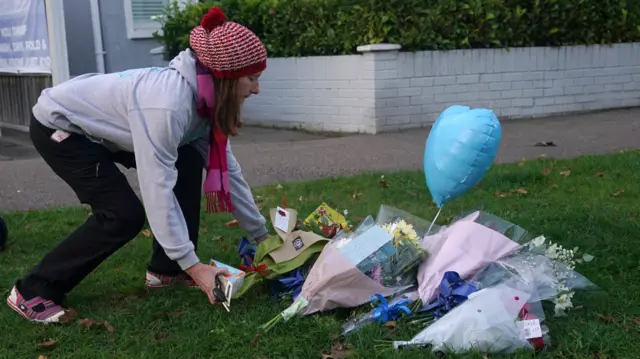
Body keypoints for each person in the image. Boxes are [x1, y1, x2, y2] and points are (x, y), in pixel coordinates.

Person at [6, 6, 269, 323]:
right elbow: (157, 187)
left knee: (187, 157)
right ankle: (33, 290)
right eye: (252, 79)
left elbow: (231, 175)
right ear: (225, 79)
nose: (257, 89)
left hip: (108, 130)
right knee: (123, 215)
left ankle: (165, 271)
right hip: (60, 127)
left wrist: (263, 238)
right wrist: (194, 264)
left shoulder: (204, 101)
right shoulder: (170, 107)